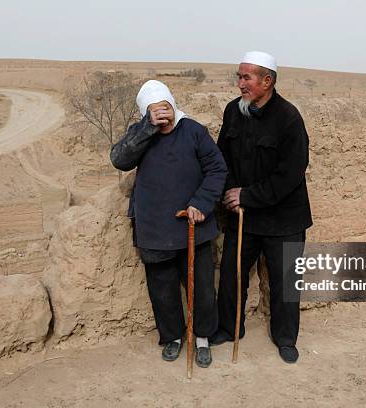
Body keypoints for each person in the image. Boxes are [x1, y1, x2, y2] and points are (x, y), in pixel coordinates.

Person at [110, 80, 227, 367]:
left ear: (173, 105)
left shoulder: (194, 131)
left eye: (166, 108)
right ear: (146, 112)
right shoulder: (139, 133)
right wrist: (147, 128)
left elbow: (216, 169)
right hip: (154, 227)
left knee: (201, 288)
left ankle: (202, 338)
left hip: (193, 226)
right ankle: (172, 337)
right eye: (155, 110)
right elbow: (119, 159)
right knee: (162, 289)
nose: (164, 115)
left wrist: (201, 202)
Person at [212, 51, 313, 363]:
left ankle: (285, 338)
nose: (240, 83)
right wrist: (230, 193)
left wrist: (247, 195)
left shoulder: (289, 119)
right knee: (231, 276)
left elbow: (289, 176)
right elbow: (221, 158)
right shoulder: (233, 112)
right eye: (239, 77)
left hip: (284, 219)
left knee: (285, 284)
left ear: (267, 81)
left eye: (247, 77)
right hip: (243, 216)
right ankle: (230, 328)